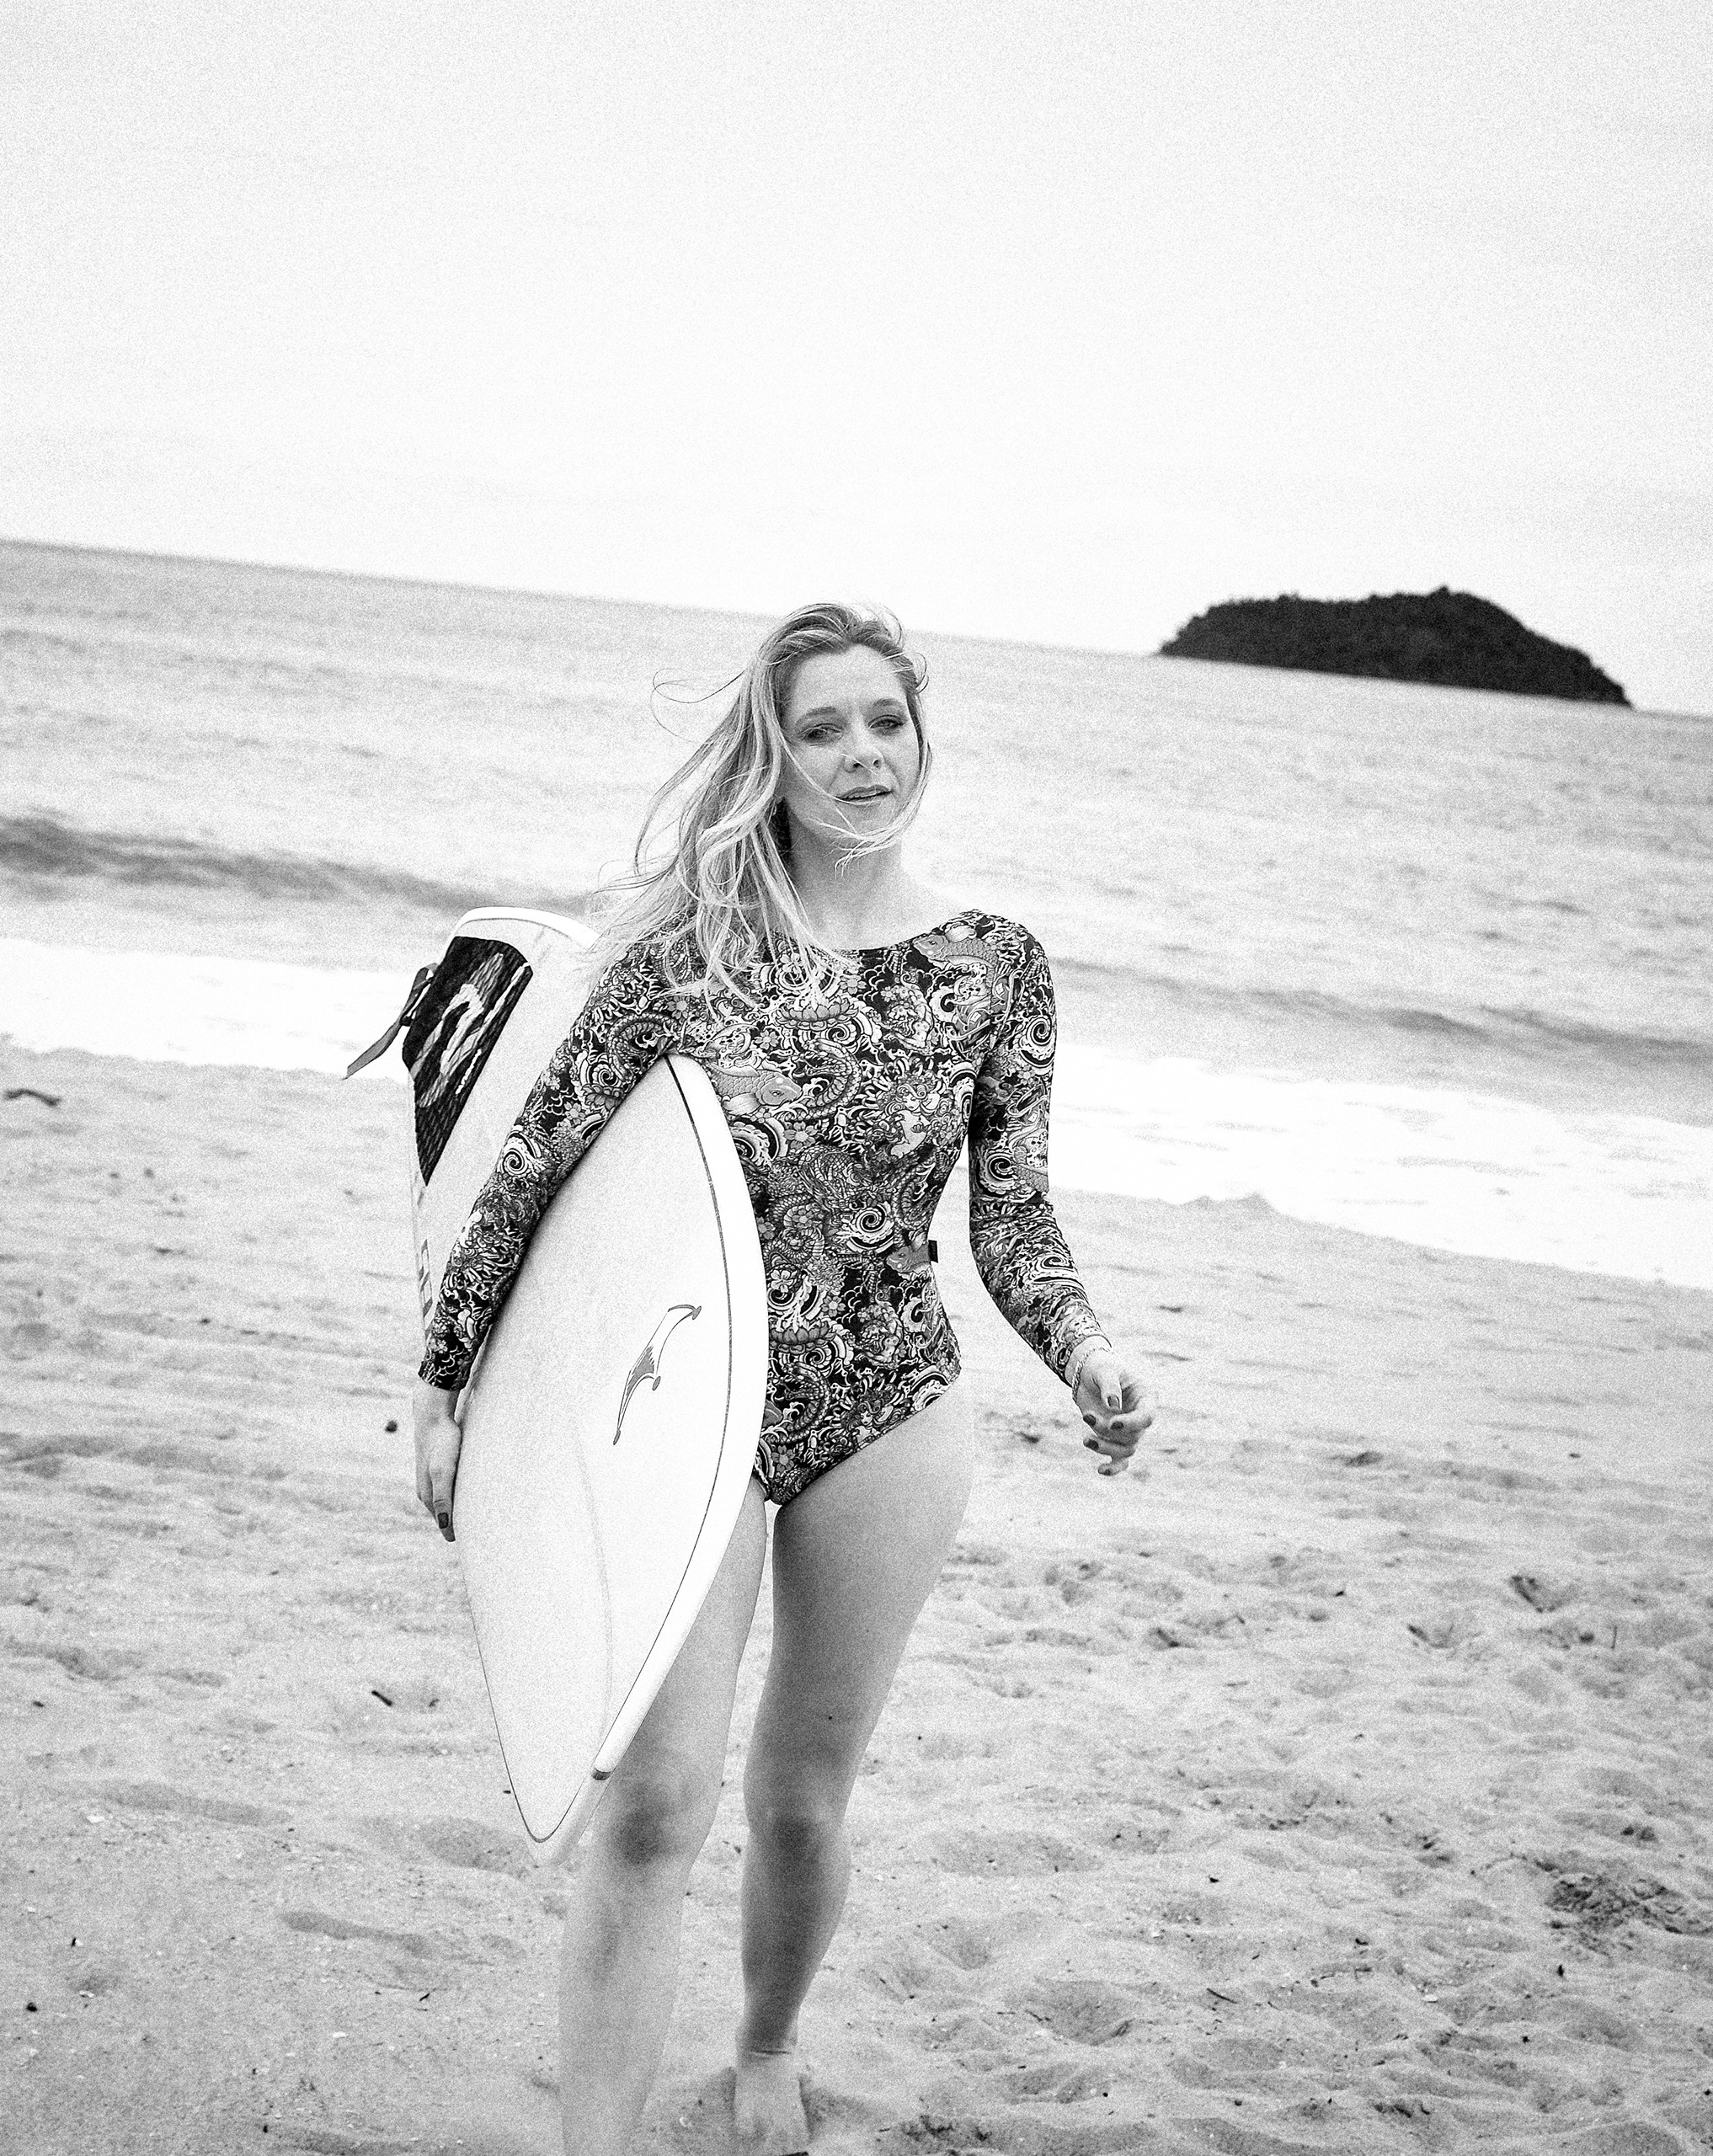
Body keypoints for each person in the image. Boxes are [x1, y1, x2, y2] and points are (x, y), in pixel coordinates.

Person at [408, 600, 1157, 2156]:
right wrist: (445, 1379)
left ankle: (765, 2043)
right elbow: (534, 1170)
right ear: (776, 757)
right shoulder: (685, 960)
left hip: (891, 1402)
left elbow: (1011, 1219)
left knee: (802, 1800)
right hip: (692, 1404)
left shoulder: (996, 967)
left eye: (885, 721)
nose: (861, 754)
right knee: (655, 1800)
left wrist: (1087, 1350)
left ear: (921, 737)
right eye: (823, 729)